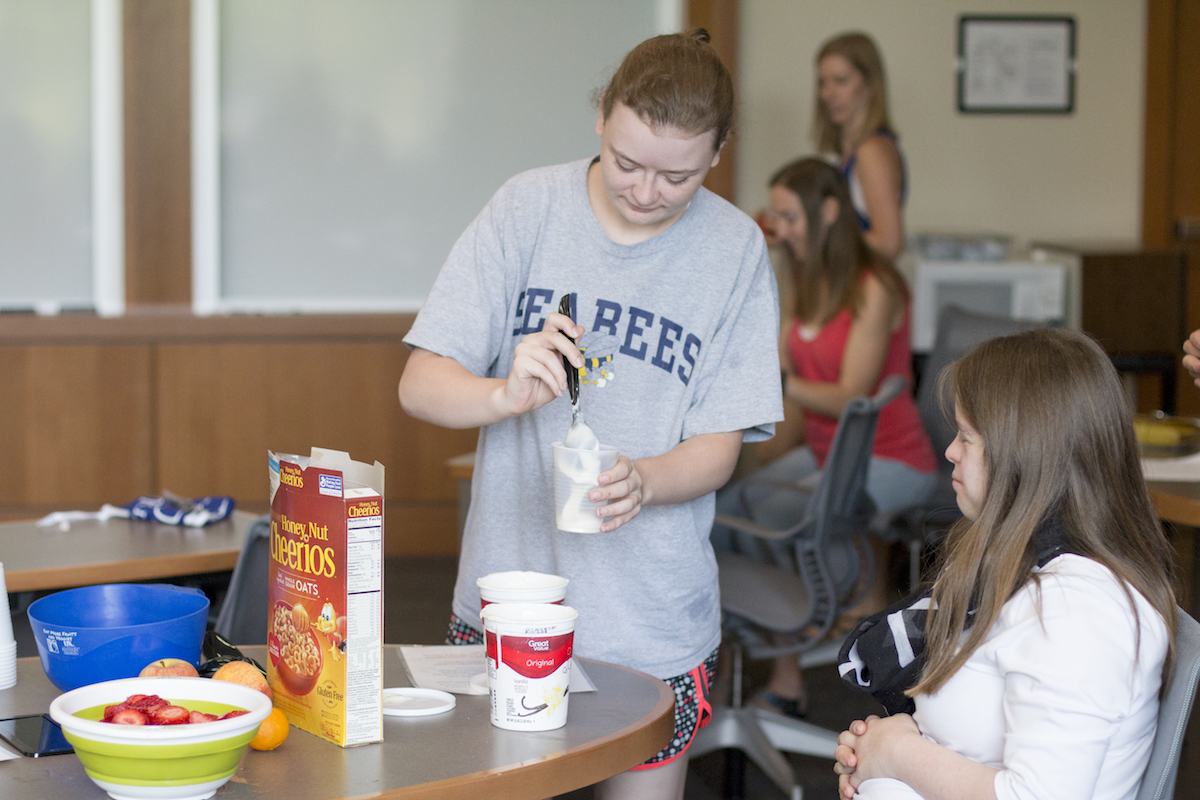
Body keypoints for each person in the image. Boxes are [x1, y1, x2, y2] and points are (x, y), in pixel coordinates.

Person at [397, 30, 783, 800]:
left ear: (718, 153)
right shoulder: (526, 209)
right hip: (507, 602)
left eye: (677, 176)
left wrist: (647, 479)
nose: (645, 192)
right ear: (600, 119)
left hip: (651, 620)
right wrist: (502, 394)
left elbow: (718, 445)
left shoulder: (735, 249)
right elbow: (419, 383)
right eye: (627, 162)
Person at [833, 328, 1179, 800]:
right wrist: (876, 754)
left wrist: (897, 756)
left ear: (1026, 457)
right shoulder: (1012, 566)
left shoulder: (1077, 612)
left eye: (967, 437)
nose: (950, 451)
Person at [710, 157, 935, 718]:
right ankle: (755, 671)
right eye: (774, 217)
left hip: (893, 458)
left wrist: (780, 381)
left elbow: (850, 393)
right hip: (824, 453)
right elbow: (786, 395)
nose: (778, 228)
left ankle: (806, 673)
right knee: (733, 506)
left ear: (828, 211)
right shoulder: (803, 284)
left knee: (784, 521)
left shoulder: (876, 285)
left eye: (788, 216)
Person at [813, 32, 906, 260]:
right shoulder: (844, 153)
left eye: (841, 81)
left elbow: (889, 242)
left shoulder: (871, 152)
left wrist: (815, 237)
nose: (828, 94)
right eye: (822, 83)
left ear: (869, 85)